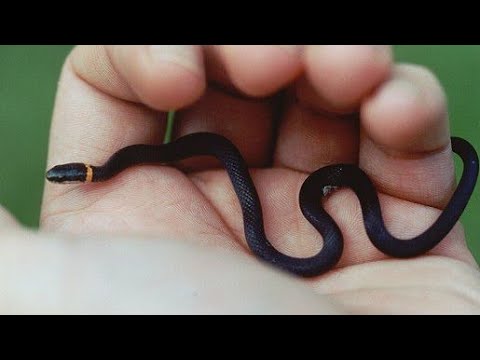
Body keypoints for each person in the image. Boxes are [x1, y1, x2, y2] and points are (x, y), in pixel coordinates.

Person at [1, 45, 479, 314]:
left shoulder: (132, 158)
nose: (66, 179)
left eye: (70, 176)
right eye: (71, 177)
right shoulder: (126, 169)